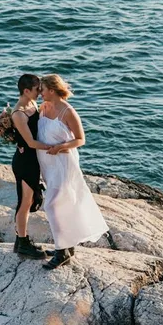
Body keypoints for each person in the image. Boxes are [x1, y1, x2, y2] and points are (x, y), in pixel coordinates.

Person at [36, 74, 108, 269]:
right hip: (47, 164)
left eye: (42, 89)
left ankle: (61, 253)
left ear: (51, 90)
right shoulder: (43, 108)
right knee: (63, 204)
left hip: (63, 162)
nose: (40, 93)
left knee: (53, 205)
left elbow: (80, 139)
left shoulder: (67, 111)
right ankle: (67, 246)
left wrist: (60, 147)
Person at [10, 74, 49, 259]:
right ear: (26, 91)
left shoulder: (32, 105)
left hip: (34, 160)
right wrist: (56, 147)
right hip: (25, 161)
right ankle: (23, 243)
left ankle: (20, 241)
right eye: (36, 90)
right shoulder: (19, 113)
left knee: (31, 200)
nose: (40, 92)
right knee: (25, 202)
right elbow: (31, 142)